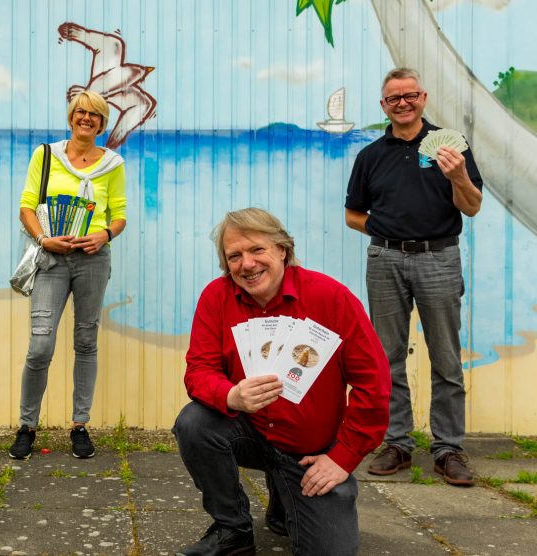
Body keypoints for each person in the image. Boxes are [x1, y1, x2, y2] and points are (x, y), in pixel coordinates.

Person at [172, 208, 390, 556]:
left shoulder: (331, 297)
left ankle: (284, 496)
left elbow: (373, 384)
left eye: (257, 250)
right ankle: (232, 530)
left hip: (311, 451)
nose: (247, 264)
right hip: (251, 432)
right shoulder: (217, 296)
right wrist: (231, 395)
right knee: (194, 423)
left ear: (282, 251)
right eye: (234, 256)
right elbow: (198, 369)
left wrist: (342, 457)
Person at [346, 68, 484, 487]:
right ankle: (397, 444)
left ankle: (448, 449)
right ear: (383, 105)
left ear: (423, 97)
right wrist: (388, 232)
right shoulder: (371, 155)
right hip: (385, 260)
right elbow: (353, 215)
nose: (402, 103)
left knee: (445, 356)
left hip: (439, 258)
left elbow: (473, 206)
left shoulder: (452, 148)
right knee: (386, 356)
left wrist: (457, 175)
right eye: (393, 98)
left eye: (410, 95)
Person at [8, 90, 127, 460]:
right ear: (71, 117)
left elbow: (120, 213)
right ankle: (27, 426)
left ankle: (80, 426)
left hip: (93, 259)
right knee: (40, 345)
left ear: (103, 124)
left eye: (94, 114)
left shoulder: (113, 163)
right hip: (52, 259)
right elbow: (26, 207)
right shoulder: (46, 155)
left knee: (86, 342)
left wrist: (104, 234)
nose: (86, 118)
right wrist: (45, 239)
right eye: (80, 112)